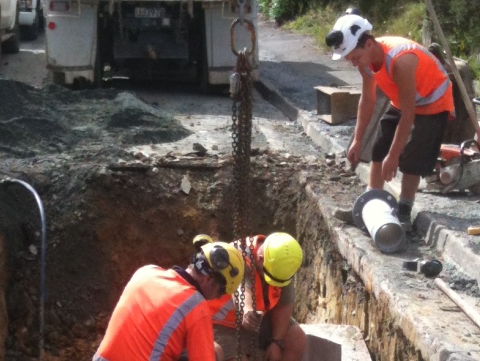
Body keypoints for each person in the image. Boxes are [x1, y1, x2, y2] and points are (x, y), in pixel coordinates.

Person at [326, 13, 456, 229]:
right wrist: (357, 140)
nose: (352, 62)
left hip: (433, 100)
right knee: (379, 146)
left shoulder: (400, 61)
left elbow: (409, 114)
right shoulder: (365, 62)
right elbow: (367, 100)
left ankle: (404, 212)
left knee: (413, 158)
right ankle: (370, 205)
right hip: (404, 100)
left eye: (353, 56)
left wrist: (394, 156)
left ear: (368, 44)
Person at [94, 239, 245, 361]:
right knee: (216, 351)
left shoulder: (146, 272)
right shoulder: (196, 305)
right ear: (209, 280)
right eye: (220, 293)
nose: (216, 298)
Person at [206, 233, 306, 361]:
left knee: (296, 339)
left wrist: (277, 342)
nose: (274, 284)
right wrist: (247, 310)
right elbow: (242, 286)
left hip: (258, 318)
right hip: (220, 323)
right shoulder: (236, 256)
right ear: (260, 258)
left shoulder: (282, 262)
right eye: (270, 277)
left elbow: (283, 305)